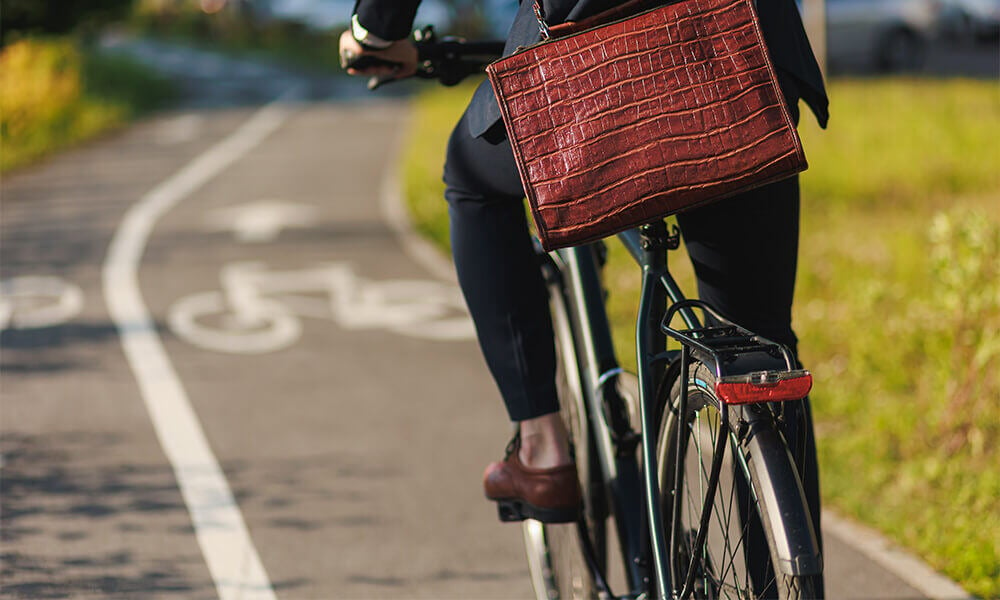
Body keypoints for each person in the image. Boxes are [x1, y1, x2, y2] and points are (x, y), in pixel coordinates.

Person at [340, 0, 828, 528]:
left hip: (592, 64)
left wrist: (375, 33)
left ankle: (541, 447)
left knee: (470, 179)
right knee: (759, 347)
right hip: (743, 45)